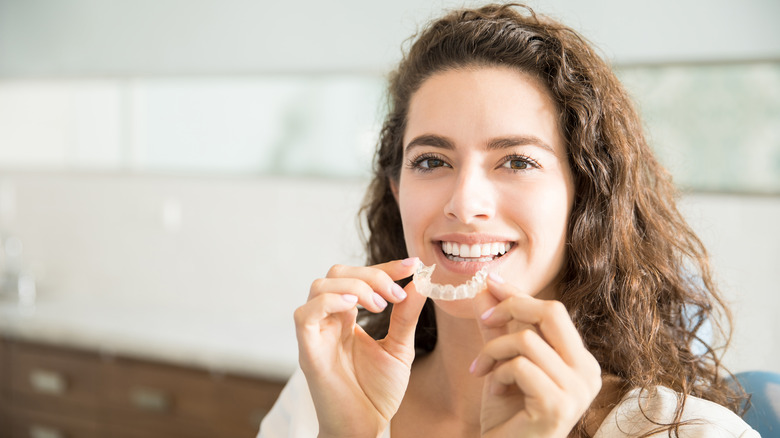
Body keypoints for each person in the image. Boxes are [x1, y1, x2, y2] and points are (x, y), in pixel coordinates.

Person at [259, 3, 759, 437]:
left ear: (584, 195)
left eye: (517, 161)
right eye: (432, 161)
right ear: (397, 189)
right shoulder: (319, 400)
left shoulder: (693, 432)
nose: (465, 202)